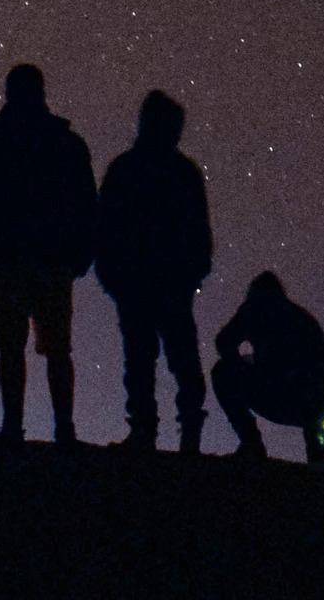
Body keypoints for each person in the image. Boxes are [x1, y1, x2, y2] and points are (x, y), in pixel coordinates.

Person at [0, 64, 97, 446]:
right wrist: (83, 252)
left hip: (8, 257)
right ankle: (63, 431)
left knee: (12, 346)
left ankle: (12, 428)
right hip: (52, 259)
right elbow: (86, 202)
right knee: (56, 348)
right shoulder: (65, 143)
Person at [96, 90, 213, 455]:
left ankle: (147, 432)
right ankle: (183, 433)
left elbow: (105, 228)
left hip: (142, 282)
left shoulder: (125, 169)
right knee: (174, 359)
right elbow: (199, 233)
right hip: (162, 282)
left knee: (145, 359)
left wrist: (112, 275)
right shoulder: (182, 173)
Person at [211, 271, 324, 464]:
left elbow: (224, 342)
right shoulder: (301, 317)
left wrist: (241, 364)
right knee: (316, 440)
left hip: (288, 394)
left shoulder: (255, 310)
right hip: (316, 400)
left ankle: (252, 443)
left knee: (222, 373)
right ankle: (318, 461)